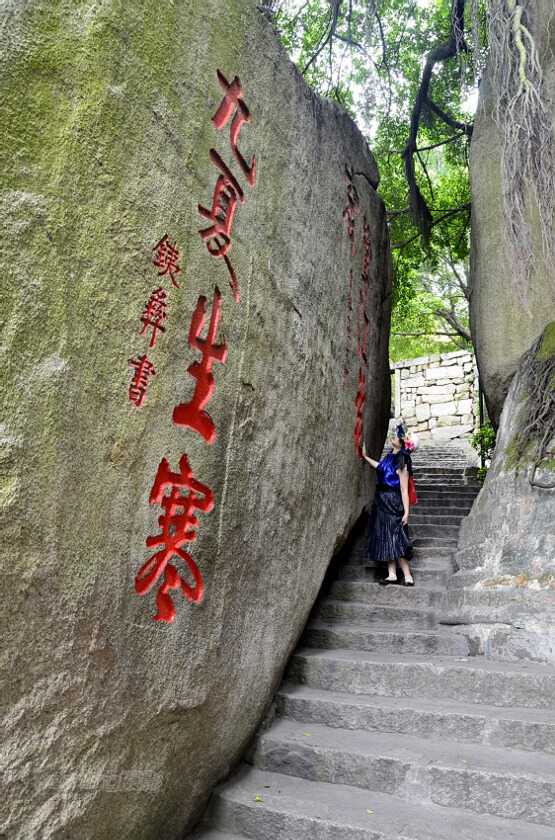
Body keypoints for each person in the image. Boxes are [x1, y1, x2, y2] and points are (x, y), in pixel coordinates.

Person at [361, 424, 415, 586]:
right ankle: (391, 574)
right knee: (385, 534)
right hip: (381, 500)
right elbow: (381, 467)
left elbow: (404, 490)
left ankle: (407, 575)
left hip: (393, 500)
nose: (395, 436)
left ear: (402, 443)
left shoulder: (403, 462)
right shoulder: (389, 455)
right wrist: (365, 456)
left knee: (396, 536)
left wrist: (406, 512)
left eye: (398, 436)